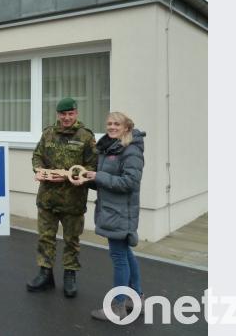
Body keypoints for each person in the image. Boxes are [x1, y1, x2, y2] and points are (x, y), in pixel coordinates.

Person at [72, 112, 145, 321]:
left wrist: (98, 176)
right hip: (111, 210)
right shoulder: (110, 148)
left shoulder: (131, 151)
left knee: (119, 257)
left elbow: (129, 182)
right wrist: (87, 179)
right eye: (109, 123)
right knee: (126, 254)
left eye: (116, 124)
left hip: (122, 212)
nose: (111, 127)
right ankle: (136, 299)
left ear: (126, 127)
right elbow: (104, 180)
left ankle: (118, 306)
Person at [26, 97, 96, 298]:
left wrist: (68, 175)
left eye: (70, 114)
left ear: (76, 114)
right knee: (45, 238)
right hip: (47, 198)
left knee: (71, 240)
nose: (66, 118)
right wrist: (39, 170)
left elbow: (92, 166)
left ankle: (70, 275)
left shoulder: (85, 136)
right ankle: (45, 273)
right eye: (63, 114)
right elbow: (37, 155)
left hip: (73, 200)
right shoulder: (48, 133)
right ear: (58, 114)